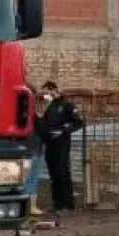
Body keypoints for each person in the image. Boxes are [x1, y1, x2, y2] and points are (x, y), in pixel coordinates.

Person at [39, 80, 84, 214]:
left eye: (46, 92)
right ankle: (57, 204)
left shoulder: (67, 105)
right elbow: (45, 123)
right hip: (50, 144)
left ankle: (68, 204)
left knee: (63, 173)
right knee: (54, 175)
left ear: (53, 90)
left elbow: (79, 123)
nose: (45, 95)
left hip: (62, 144)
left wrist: (63, 132)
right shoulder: (51, 106)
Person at [23, 83, 46, 216]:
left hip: (24, 148)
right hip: (34, 148)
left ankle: (25, 206)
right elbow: (42, 129)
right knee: (31, 178)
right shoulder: (32, 112)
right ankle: (30, 207)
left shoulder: (17, 109)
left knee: (24, 178)